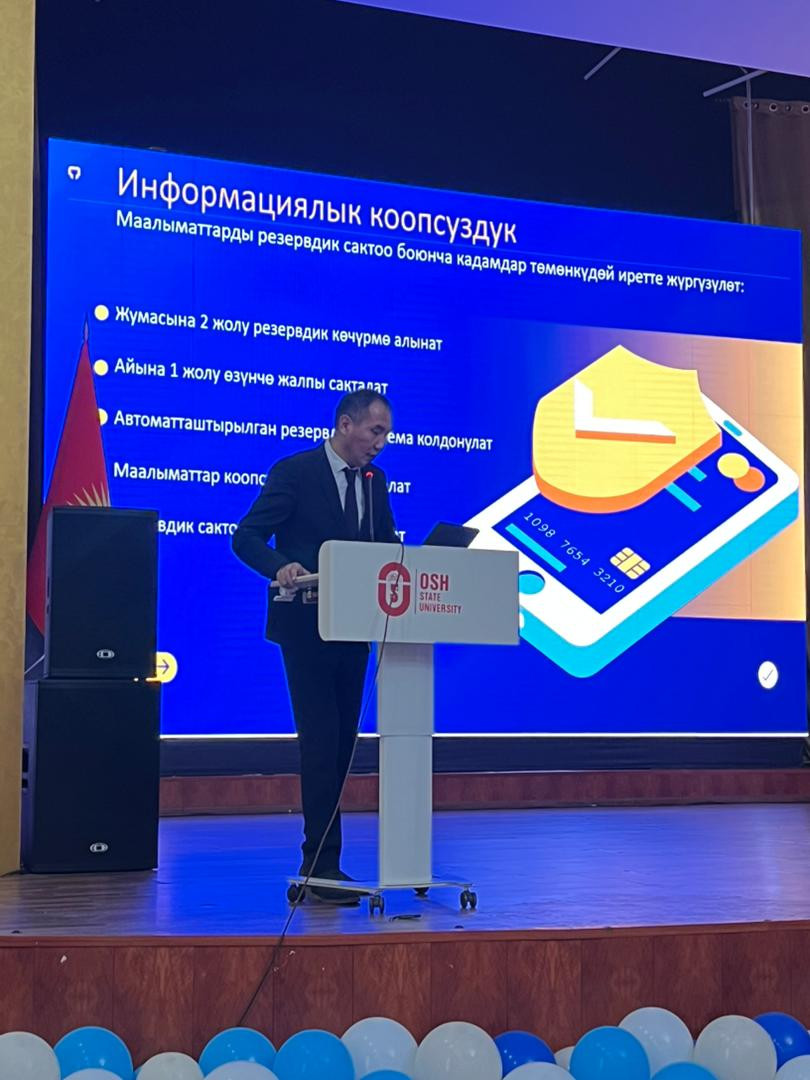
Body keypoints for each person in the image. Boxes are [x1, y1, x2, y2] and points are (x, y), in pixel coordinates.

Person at [232, 390, 398, 904]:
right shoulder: (295, 471)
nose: (380, 443)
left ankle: (321, 864)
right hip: (305, 626)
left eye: (386, 435)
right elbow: (246, 537)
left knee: (343, 744)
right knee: (321, 742)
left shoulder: (374, 482)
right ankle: (320, 864)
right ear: (345, 424)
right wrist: (279, 566)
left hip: (354, 626)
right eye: (375, 432)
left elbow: (383, 547)